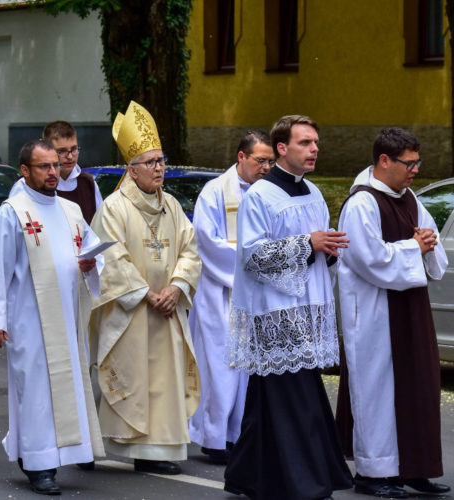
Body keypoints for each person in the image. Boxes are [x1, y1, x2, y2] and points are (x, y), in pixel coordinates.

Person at [224, 115, 353, 500]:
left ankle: (247, 475)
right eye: (305, 143)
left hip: (308, 307)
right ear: (282, 148)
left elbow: (318, 249)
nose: (315, 149)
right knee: (297, 399)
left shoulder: (312, 193)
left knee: (268, 399)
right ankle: (307, 483)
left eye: (316, 142)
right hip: (274, 312)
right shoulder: (260, 196)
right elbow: (251, 255)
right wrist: (306, 244)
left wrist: (326, 250)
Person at [0, 139, 105, 495]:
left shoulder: (71, 211)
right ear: (25, 171)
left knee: (66, 387)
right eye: (44, 166)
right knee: (35, 391)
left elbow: (90, 255)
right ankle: (38, 464)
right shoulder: (13, 212)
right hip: (29, 320)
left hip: (67, 313)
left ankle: (58, 454)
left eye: (55, 165)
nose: (53, 172)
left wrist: (90, 265)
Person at [89, 101, 202, 475]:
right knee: (136, 377)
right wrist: (145, 293)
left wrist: (177, 286)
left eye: (161, 160)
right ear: (132, 170)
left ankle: (160, 450)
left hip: (166, 307)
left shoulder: (171, 205)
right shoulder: (114, 208)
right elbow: (112, 257)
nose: (159, 168)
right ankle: (134, 447)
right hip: (132, 310)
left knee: (165, 381)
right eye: (151, 162)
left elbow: (190, 249)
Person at [336, 127, 449, 498]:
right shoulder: (361, 204)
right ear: (384, 161)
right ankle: (374, 472)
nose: (416, 170)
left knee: (419, 384)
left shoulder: (410, 197)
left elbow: (428, 243)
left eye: (418, 162)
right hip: (374, 314)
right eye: (409, 163)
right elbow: (370, 260)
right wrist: (414, 247)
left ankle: (416, 468)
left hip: (411, 309)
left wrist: (427, 247)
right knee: (377, 390)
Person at [187, 130, 273, 464]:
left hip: (257, 296)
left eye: (270, 161)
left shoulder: (269, 193)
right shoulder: (214, 193)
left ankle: (239, 435)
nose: (266, 167)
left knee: (249, 369)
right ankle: (214, 437)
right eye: (260, 160)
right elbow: (208, 242)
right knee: (220, 367)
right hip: (220, 294)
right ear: (241, 157)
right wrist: (255, 260)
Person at [10, 121, 103, 223]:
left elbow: (99, 224)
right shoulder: (27, 185)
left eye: (74, 149)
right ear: (48, 150)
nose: (70, 156)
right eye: (62, 151)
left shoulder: (88, 183)